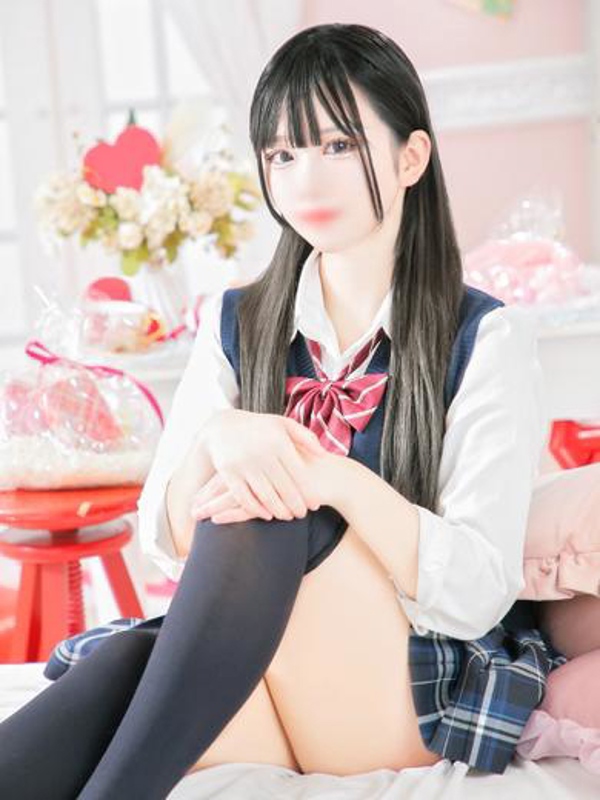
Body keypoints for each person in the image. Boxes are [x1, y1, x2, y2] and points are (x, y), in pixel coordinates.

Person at [0, 22, 567, 799]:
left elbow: (476, 590)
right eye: (283, 155)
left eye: (337, 145)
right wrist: (221, 436)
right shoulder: (238, 322)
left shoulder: (486, 337)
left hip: (404, 691)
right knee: (133, 658)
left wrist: (330, 478)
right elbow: (167, 545)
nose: (306, 181)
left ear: (411, 157)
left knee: (267, 506)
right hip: (266, 675)